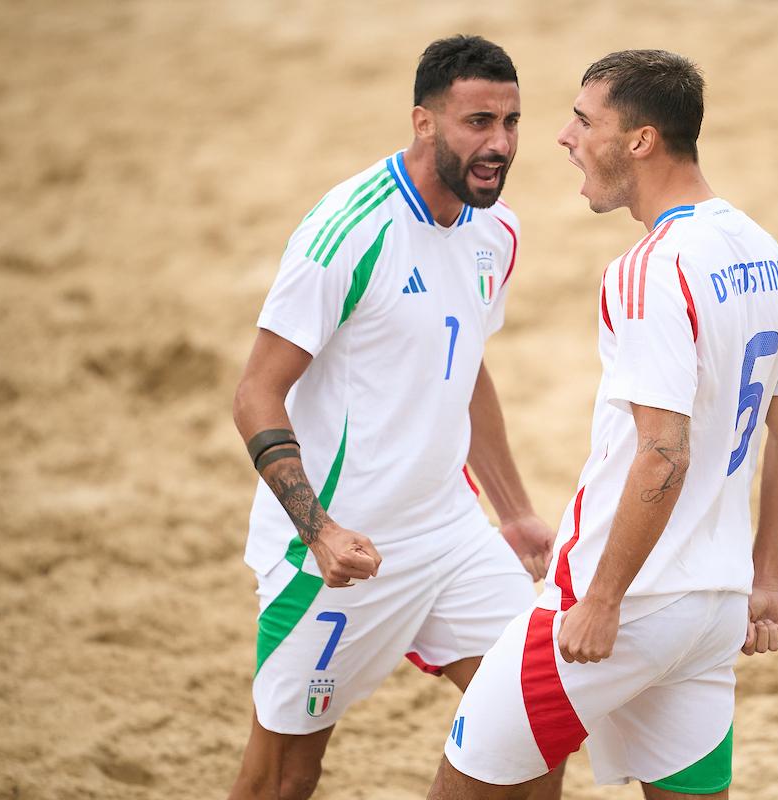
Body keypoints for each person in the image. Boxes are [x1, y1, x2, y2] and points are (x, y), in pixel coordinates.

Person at [427, 49, 778, 800]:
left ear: (640, 141)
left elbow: (662, 453)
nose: (564, 138)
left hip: (623, 603)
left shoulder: (650, 266)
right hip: (712, 612)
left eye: (583, 121)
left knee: (465, 788)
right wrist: (767, 579)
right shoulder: (768, 255)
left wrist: (601, 599)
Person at [227, 35, 562, 800]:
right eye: (478, 121)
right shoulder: (347, 230)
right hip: (337, 553)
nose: (500, 144)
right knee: (284, 778)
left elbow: (464, 366)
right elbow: (255, 394)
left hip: (449, 534)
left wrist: (512, 515)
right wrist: (320, 531)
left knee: (533, 724)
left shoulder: (497, 230)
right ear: (423, 122)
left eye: (511, 122)